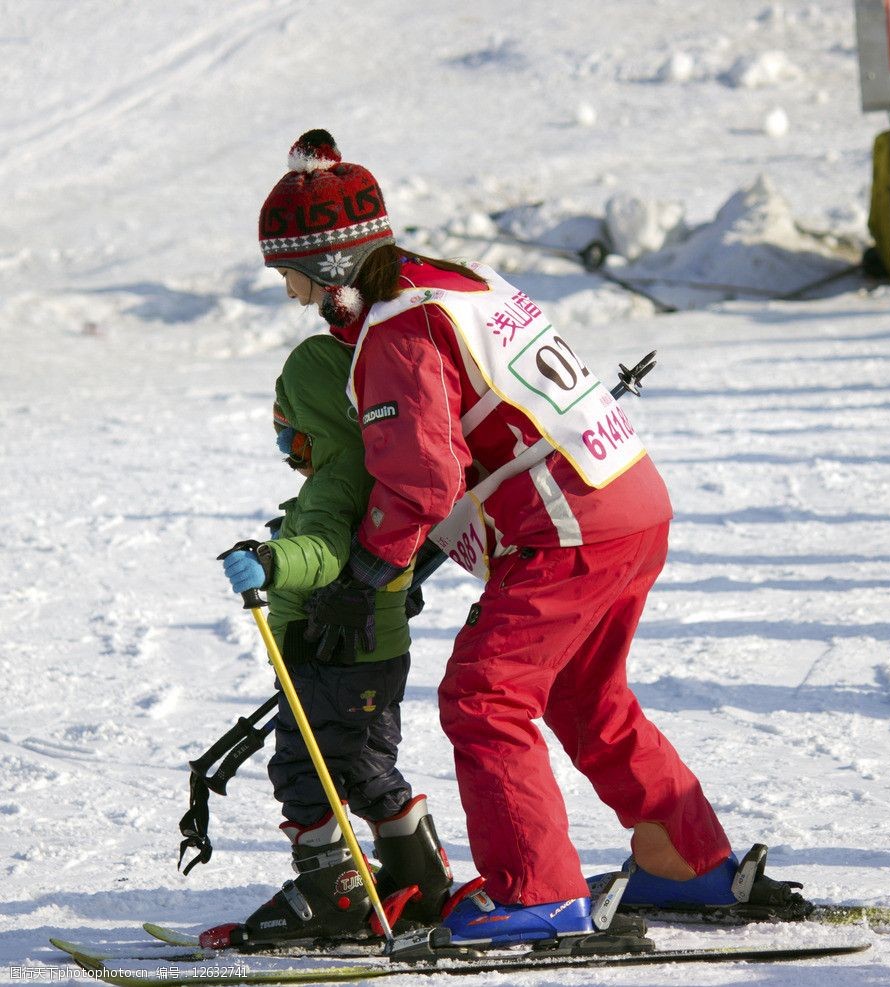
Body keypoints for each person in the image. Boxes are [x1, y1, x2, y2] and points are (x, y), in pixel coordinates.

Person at [254, 129, 810, 948]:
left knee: (483, 697)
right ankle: (683, 859)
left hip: (568, 526)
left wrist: (366, 572)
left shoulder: (397, 330)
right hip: (627, 496)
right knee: (586, 694)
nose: (294, 294)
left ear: (332, 268)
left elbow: (420, 479)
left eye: (293, 275)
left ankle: (534, 895)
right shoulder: (450, 281)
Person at [210, 331, 453, 949]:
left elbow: (321, 551)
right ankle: (419, 879)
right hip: (376, 657)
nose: (288, 450)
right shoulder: (379, 472)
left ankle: (334, 898)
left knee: (303, 770)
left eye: (288, 432)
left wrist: (270, 560)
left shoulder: (334, 483)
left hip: (331, 657)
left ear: (315, 420)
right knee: (368, 766)